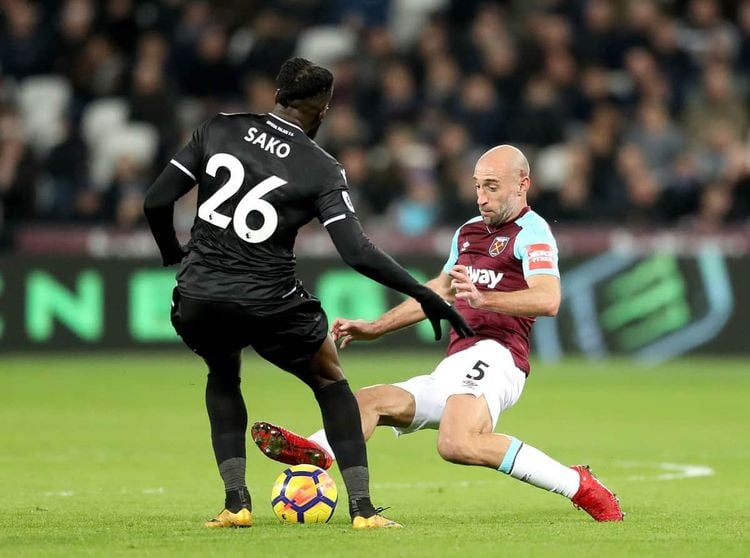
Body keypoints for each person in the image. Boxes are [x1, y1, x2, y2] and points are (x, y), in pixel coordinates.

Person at [142, 57, 473, 530]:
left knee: (222, 372)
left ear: (278, 95)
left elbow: (155, 200)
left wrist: (172, 253)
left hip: (200, 294)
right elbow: (357, 252)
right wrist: (424, 292)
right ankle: (362, 510)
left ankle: (236, 505)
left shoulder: (217, 129)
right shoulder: (321, 168)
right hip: (270, 299)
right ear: (323, 109)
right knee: (331, 381)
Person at [251, 145, 624, 522]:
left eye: (492, 187)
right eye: (478, 187)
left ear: (522, 184)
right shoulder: (467, 233)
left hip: (498, 356)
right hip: (455, 365)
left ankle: (579, 485)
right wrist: (376, 327)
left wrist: (484, 299)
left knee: (456, 442)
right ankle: (316, 450)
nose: (481, 197)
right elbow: (440, 291)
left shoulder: (533, 232)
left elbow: (549, 298)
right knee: (366, 402)